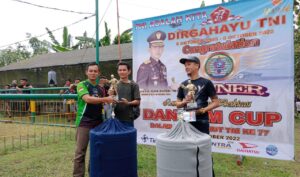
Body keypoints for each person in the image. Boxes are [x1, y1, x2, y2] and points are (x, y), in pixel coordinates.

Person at [176, 56, 220, 177]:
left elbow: (216, 102)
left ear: (197, 65)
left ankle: (208, 174)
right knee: (186, 150)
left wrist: (204, 110)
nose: (186, 66)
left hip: (201, 120)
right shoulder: (183, 84)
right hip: (185, 119)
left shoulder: (206, 83)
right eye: (185, 65)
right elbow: (177, 104)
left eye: (189, 64)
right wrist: (184, 102)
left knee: (203, 150)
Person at [73, 62, 114, 177]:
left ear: (98, 73)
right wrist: (106, 98)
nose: (93, 73)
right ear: (86, 72)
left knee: (96, 152)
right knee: (80, 153)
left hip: (98, 123)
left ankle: (94, 173)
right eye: (90, 71)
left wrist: (111, 100)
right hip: (84, 123)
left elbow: (105, 104)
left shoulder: (100, 89)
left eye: (95, 71)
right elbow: (88, 99)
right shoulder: (82, 85)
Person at [111, 62, 141, 127]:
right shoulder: (114, 85)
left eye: (124, 70)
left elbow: (137, 101)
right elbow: (111, 100)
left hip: (128, 118)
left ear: (129, 71)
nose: (122, 72)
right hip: (116, 118)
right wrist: (112, 101)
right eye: (120, 70)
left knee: (128, 136)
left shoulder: (134, 85)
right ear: (117, 71)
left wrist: (128, 103)